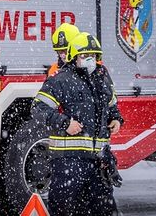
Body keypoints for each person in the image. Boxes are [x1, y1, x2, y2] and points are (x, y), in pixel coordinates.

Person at [33, 33, 122, 216]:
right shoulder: (61, 80)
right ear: (74, 57)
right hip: (68, 161)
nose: (90, 59)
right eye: (85, 55)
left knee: (103, 210)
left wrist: (116, 119)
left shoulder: (102, 78)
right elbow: (38, 108)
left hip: (99, 161)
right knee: (64, 209)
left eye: (93, 55)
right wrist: (65, 123)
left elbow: (111, 105)